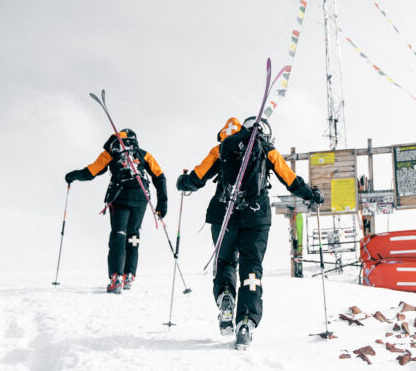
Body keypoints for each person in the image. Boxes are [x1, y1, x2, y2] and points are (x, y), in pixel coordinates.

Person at [176, 116, 322, 349]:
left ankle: (225, 295)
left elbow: (197, 177)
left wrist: (184, 182)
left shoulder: (223, 146)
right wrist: (312, 194)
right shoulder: (267, 148)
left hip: (223, 215)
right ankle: (245, 321)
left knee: (224, 262)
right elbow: (290, 180)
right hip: (256, 217)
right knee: (251, 268)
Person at [65, 129, 168, 294]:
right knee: (133, 235)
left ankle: (116, 277)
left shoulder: (111, 153)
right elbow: (160, 177)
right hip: (140, 198)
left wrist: (71, 176)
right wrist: (162, 204)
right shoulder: (144, 154)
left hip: (119, 197)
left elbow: (90, 172)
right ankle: (129, 275)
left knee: (119, 234)